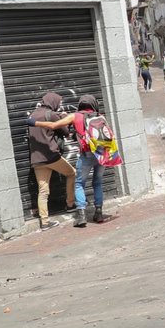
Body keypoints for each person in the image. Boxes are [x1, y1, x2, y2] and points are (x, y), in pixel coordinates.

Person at [28, 95, 107, 226]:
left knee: (78, 184)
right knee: (96, 182)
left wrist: (34, 123)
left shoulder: (75, 116)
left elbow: (53, 125)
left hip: (83, 155)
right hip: (100, 154)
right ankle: (97, 212)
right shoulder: (101, 116)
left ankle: (78, 216)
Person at [27, 92, 76, 230]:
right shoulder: (51, 115)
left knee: (43, 191)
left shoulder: (32, 115)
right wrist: (64, 117)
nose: (59, 105)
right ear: (53, 102)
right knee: (72, 173)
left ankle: (45, 222)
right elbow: (65, 132)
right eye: (58, 102)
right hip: (51, 156)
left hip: (36, 159)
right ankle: (70, 204)